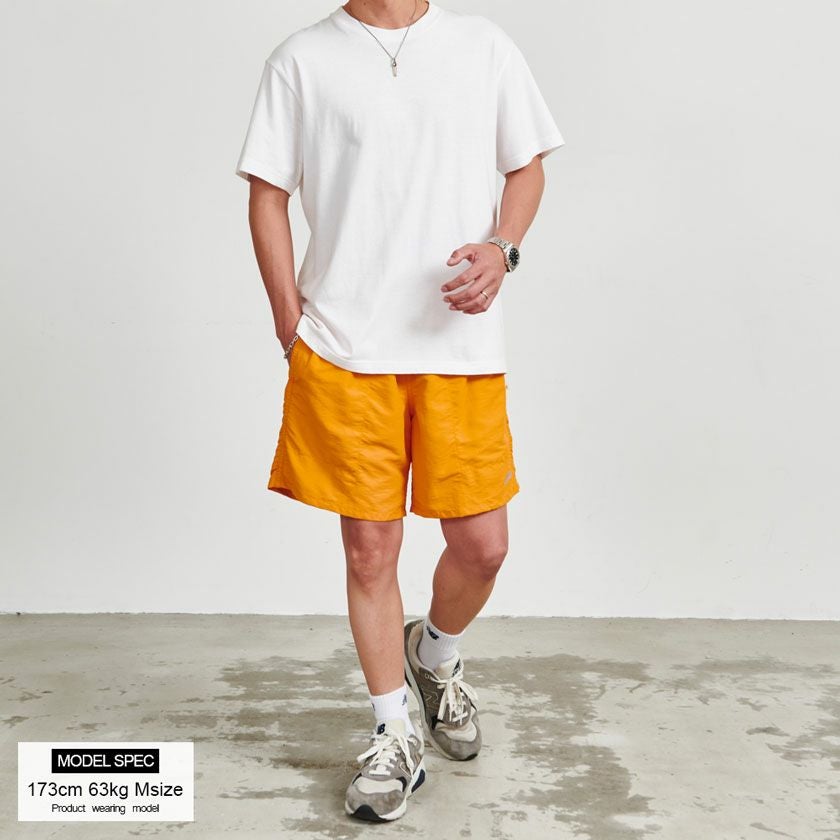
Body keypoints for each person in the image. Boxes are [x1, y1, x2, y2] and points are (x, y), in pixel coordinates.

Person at [235, 0, 564, 822]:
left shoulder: (483, 46)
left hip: (458, 346)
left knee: (483, 547)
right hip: (346, 346)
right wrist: (288, 321)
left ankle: (435, 653)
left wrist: (503, 248)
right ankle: (393, 733)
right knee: (369, 552)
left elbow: (526, 167)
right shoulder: (303, 59)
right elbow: (268, 193)